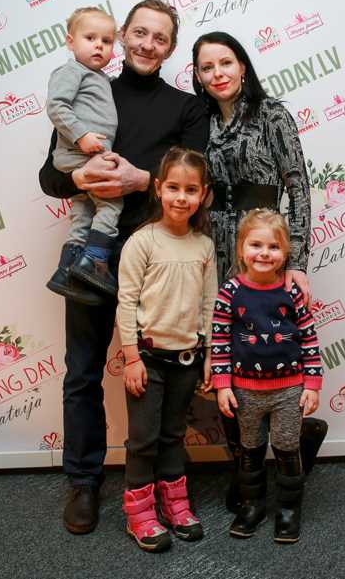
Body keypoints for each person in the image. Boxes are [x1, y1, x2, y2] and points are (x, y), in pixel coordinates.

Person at [39, 0, 209, 535]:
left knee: (165, 376)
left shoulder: (188, 109)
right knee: (83, 371)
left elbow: (199, 180)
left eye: (160, 38)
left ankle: (162, 480)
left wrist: (142, 182)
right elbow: (49, 177)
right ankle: (83, 482)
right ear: (122, 37)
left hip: (160, 264)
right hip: (94, 256)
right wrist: (80, 179)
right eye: (139, 33)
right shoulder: (90, 86)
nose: (146, 45)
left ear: (171, 49)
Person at [191, 31, 328, 511]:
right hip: (213, 246)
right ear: (198, 76)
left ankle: (298, 438)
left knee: (272, 348)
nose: (218, 74)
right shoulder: (200, 121)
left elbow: (299, 186)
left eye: (225, 63)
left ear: (243, 66)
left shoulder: (272, 115)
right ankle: (244, 468)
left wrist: (298, 261)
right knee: (224, 355)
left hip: (262, 248)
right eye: (207, 67)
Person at [117, 148, 217, 552]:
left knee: (174, 434)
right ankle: (139, 513)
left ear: (203, 194)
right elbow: (126, 302)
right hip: (148, 361)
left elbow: (209, 304)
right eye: (173, 187)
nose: (181, 197)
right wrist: (131, 357)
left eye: (191, 190)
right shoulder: (142, 242)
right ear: (158, 189)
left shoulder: (204, 246)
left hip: (187, 361)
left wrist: (210, 355)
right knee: (144, 438)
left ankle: (175, 504)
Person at [211, 209, 323, 544]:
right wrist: (222, 385)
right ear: (241, 249)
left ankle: (288, 510)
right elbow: (219, 342)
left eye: (273, 247)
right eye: (256, 245)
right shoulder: (229, 292)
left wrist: (312, 384)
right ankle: (252, 505)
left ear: (285, 253)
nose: (264, 253)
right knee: (251, 450)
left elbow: (309, 339)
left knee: (287, 449)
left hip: (289, 390)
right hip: (245, 392)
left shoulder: (291, 293)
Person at [46, 7, 121, 298]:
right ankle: (95, 261)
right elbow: (56, 106)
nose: (99, 45)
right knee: (112, 203)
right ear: (70, 41)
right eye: (90, 38)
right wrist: (81, 136)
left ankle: (67, 269)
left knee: (83, 210)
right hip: (82, 154)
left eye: (106, 41)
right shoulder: (71, 71)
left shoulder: (98, 77)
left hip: (85, 156)